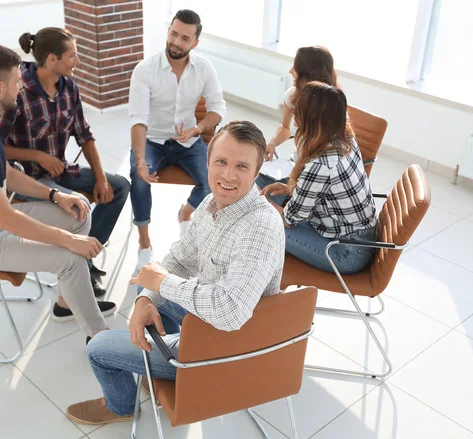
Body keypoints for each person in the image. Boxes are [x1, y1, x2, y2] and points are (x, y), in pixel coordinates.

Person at [65, 121, 285, 426]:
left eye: (241, 166)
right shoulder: (211, 202)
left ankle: (121, 406)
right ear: (207, 162)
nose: (228, 175)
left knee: (98, 347)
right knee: (150, 303)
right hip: (204, 323)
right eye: (221, 162)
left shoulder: (260, 226)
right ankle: (154, 366)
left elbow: (230, 312)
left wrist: (162, 284)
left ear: (257, 171)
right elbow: (181, 259)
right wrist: (146, 298)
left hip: (225, 349)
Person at [0, 42, 116, 346]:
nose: (21, 87)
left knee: (78, 209)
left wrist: (56, 197)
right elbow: (6, 218)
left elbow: (8, 175)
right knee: (68, 259)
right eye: (18, 82)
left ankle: (66, 302)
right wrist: (70, 241)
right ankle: (102, 343)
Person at [0, 27, 131, 304]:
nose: (78, 61)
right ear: (51, 59)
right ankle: (79, 273)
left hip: (61, 172)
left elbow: (85, 135)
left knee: (119, 186)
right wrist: (37, 156)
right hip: (30, 180)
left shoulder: (69, 87)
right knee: (77, 206)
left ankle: (83, 260)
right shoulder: (18, 90)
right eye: (73, 56)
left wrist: (101, 179)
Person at [128, 9, 226, 272]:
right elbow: (138, 119)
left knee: (213, 182)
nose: (176, 42)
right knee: (139, 177)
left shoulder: (204, 68)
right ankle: (144, 244)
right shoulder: (145, 70)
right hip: (151, 140)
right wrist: (139, 160)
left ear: (194, 43)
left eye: (184, 38)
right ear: (168, 32)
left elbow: (218, 108)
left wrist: (197, 128)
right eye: (173, 34)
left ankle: (185, 213)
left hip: (187, 141)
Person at [262, 82, 377, 274]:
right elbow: (326, 188)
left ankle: (260, 288)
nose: (295, 110)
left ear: (311, 116)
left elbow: (288, 219)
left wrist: (258, 200)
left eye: (300, 106)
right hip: (359, 236)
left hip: (345, 252)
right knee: (268, 202)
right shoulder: (346, 138)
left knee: (264, 222)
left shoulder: (320, 165)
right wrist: (290, 189)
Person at [257, 46, 338, 206]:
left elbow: (321, 168)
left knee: (260, 201)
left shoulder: (333, 109)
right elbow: (286, 128)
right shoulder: (292, 95)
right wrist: (272, 143)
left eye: (295, 67)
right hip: (295, 167)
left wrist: (293, 186)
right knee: (252, 180)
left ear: (308, 75)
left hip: (312, 176)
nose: (290, 71)